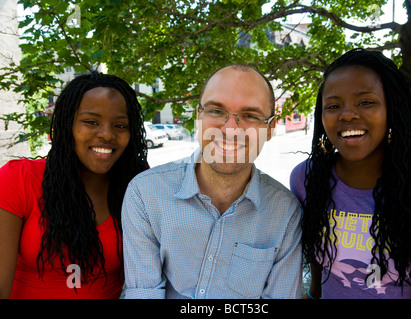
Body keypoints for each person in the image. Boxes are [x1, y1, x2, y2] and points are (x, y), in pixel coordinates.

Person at [122, 64, 303, 299]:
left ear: (269, 129)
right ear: (198, 116)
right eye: (217, 111)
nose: (230, 129)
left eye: (250, 115)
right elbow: (143, 293)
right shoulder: (146, 194)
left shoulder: (285, 212)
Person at [290, 48, 411, 299]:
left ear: (392, 110)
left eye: (365, 102)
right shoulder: (307, 179)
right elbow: (318, 278)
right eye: (333, 105)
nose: (347, 114)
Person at [0, 72, 149, 299]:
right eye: (91, 122)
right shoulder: (19, 179)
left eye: (120, 125)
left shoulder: (138, 187)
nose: (107, 134)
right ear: (67, 124)